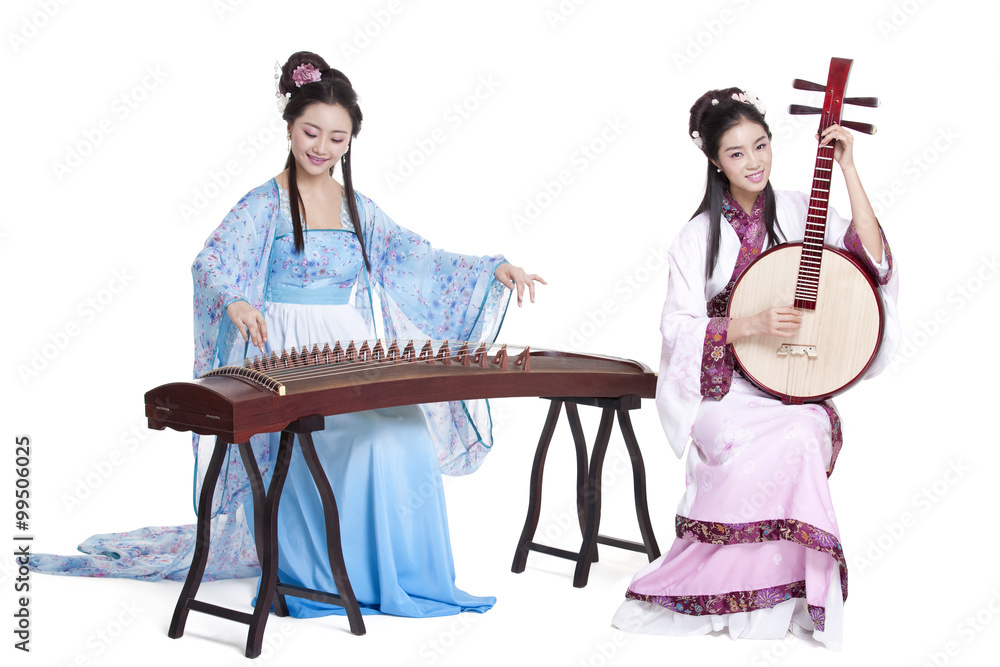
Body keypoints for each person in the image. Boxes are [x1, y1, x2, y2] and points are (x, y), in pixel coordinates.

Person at [31, 51, 543, 620]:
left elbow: (413, 257)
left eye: (338, 139)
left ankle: (397, 578)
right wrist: (238, 302)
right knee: (338, 442)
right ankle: (319, 573)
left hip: (345, 346)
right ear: (291, 127)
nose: (322, 148)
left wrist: (490, 269)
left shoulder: (357, 209)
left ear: (352, 141)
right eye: (311, 132)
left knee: (404, 433)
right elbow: (212, 263)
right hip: (285, 349)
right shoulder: (265, 203)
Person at [611, 88, 899, 648]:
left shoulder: (796, 209)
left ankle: (791, 590)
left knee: (803, 429)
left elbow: (874, 257)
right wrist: (749, 325)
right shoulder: (696, 237)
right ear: (716, 161)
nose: (754, 161)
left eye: (761, 145)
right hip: (722, 390)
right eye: (737, 152)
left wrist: (849, 170)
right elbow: (676, 328)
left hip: (789, 383)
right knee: (747, 440)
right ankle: (718, 586)